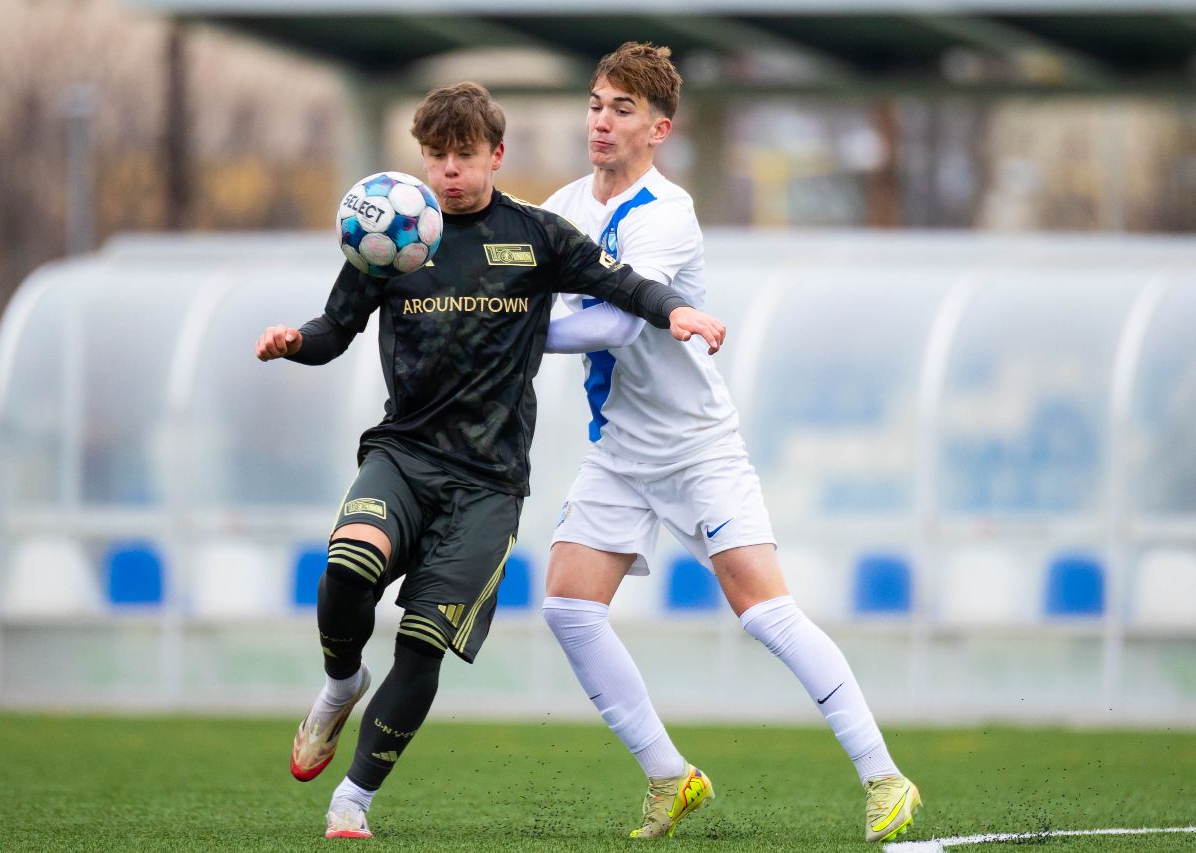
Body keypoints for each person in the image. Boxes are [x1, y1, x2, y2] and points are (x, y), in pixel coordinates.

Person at [253, 80, 727, 840]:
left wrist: (675, 310)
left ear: (497, 155)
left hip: (488, 483)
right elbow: (334, 328)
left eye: (465, 155)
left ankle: (353, 800)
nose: (450, 170)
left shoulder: (535, 236)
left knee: (423, 642)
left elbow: (619, 284)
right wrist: (293, 343)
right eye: (437, 155)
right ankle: (342, 682)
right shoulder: (390, 233)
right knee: (347, 566)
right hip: (404, 455)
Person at [539, 43, 921, 842]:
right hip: (619, 451)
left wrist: (519, 332)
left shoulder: (666, 213)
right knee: (568, 608)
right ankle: (670, 775)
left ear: (659, 129)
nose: (601, 121)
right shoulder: (562, 206)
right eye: (596, 104)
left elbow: (616, 322)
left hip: (696, 448)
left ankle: (884, 775)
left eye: (622, 110)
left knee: (765, 612)